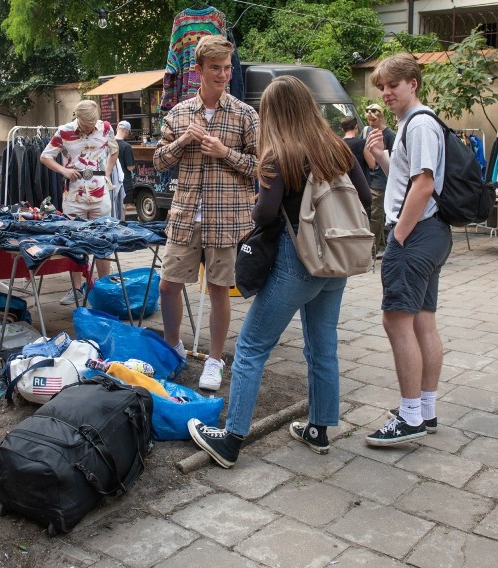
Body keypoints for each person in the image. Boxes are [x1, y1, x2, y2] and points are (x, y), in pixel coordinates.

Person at [186, 76, 371, 467]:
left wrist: (256, 204)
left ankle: (231, 439)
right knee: (322, 348)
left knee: (252, 348)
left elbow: (267, 214)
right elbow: (366, 197)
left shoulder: (278, 156)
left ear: (273, 114)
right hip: (333, 262)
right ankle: (319, 428)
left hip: (296, 262)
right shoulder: (337, 148)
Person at [153, 34, 259, 391]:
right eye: (215, 68)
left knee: (217, 290)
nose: (223, 74)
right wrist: (183, 141)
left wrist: (224, 152)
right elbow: (158, 161)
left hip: (227, 218)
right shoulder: (179, 113)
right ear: (197, 70)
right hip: (185, 215)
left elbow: (261, 168)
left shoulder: (245, 115)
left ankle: (214, 360)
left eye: (227, 68)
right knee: (168, 286)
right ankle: (172, 347)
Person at [364, 54, 452, 446]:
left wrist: (398, 235)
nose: (386, 94)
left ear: (412, 83)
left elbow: (423, 185)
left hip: (415, 235)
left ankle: (410, 416)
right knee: (422, 322)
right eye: (382, 87)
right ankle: (426, 411)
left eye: (393, 86)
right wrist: (382, 155)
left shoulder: (418, 125)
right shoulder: (412, 125)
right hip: (430, 232)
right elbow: (405, 178)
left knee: (396, 322)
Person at [39, 99, 119, 306]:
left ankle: (104, 287)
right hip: (74, 195)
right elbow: (45, 156)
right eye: (85, 125)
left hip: (100, 193)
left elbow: (114, 149)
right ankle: (77, 289)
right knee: (75, 243)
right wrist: (63, 170)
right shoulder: (64, 131)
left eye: (92, 125)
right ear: (78, 118)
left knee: (103, 241)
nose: (89, 128)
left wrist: (108, 171)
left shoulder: (106, 128)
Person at [363, 103, 396, 258]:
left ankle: (371, 249)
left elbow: (393, 160)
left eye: (373, 120)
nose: (371, 123)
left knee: (376, 216)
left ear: (380, 117)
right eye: (369, 120)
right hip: (371, 178)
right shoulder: (368, 131)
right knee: (375, 215)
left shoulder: (389, 134)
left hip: (382, 180)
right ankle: (380, 246)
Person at [341, 115, 373, 184]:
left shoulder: (337, 144)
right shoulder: (362, 143)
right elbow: (372, 164)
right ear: (356, 127)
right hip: (361, 183)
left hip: (345, 184)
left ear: (342, 129)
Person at [114, 120, 136, 221]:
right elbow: (130, 167)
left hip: (111, 180)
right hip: (124, 182)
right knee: (122, 209)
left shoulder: (109, 144)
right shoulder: (126, 146)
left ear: (117, 129)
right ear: (127, 131)